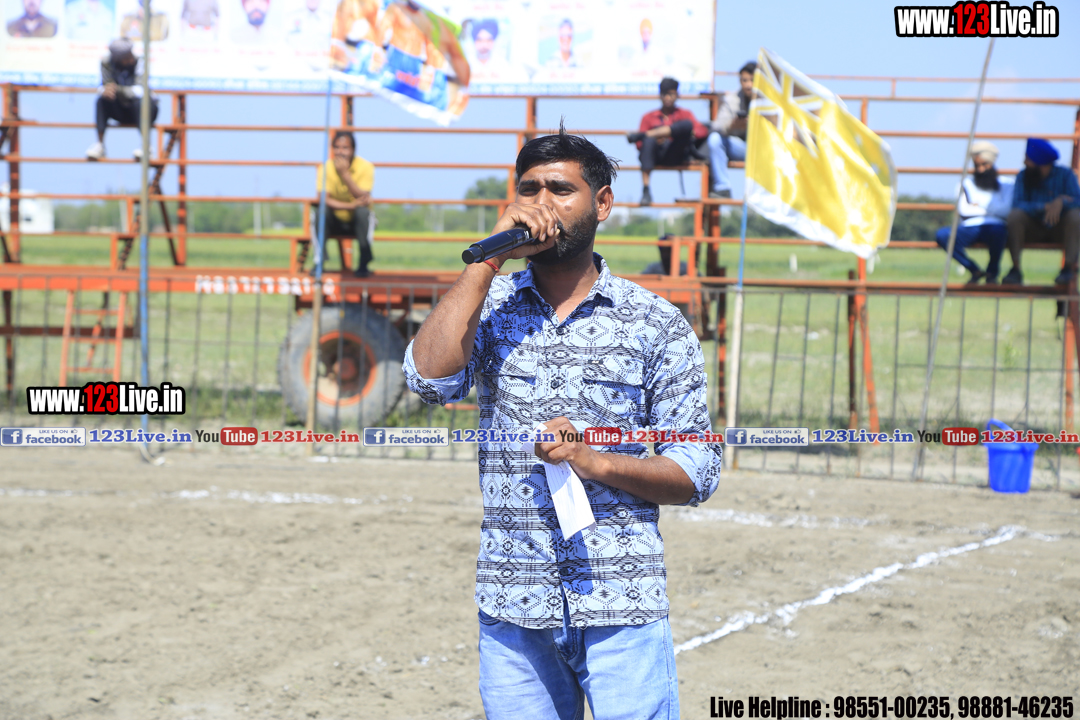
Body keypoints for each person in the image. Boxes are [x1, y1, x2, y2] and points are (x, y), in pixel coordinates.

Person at [404, 125, 722, 718]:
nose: (542, 204)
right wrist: (487, 262)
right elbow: (428, 380)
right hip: (513, 601)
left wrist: (595, 462)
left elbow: (697, 470)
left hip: (621, 600)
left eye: (560, 189)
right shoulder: (489, 308)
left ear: (602, 203)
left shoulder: (653, 322)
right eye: (529, 189)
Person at [1003, 138, 1080, 286]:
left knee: (1075, 216)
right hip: (1032, 228)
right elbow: (1017, 204)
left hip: (1059, 228)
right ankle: (1015, 269)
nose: (1024, 162)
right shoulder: (1023, 176)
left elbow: (1078, 200)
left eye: (1028, 159)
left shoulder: (1065, 175)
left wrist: (1062, 201)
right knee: (1015, 216)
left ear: (1041, 162)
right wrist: (1045, 207)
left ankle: (1068, 268)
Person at [934, 141, 1013, 285]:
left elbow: (1007, 211)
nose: (980, 169)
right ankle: (974, 269)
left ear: (992, 163)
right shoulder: (965, 184)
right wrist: (995, 209)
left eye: (984, 164)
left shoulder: (1007, 184)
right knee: (943, 235)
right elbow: (964, 210)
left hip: (996, 226)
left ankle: (992, 273)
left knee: (1000, 232)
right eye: (977, 165)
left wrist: (979, 204)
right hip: (970, 226)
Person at [625, 76, 710, 206]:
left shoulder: (685, 114)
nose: (668, 98)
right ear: (660, 95)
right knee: (648, 141)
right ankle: (646, 190)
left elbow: (702, 131)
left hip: (676, 153)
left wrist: (673, 134)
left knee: (686, 125)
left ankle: (651, 133)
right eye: (665, 94)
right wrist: (656, 140)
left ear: (677, 95)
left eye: (671, 94)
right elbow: (639, 145)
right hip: (655, 156)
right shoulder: (648, 117)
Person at [85, 39, 159, 162]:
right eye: (126, 57)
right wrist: (106, 91)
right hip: (121, 110)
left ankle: (146, 146)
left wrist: (118, 90)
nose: (130, 59)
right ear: (117, 59)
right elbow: (105, 86)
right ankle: (100, 145)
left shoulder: (140, 62)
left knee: (140, 103)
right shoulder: (106, 63)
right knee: (101, 101)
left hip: (144, 110)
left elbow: (140, 91)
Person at [316, 130, 375, 277]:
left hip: (357, 222)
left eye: (345, 148)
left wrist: (345, 175)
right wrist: (351, 205)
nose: (340, 152)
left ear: (353, 149)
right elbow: (323, 199)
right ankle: (319, 261)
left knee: (363, 213)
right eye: (336, 147)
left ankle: (364, 262)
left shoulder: (365, 167)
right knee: (320, 212)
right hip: (334, 219)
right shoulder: (325, 168)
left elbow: (363, 197)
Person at [707, 61, 755, 199]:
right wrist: (732, 126)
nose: (748, 85)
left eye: (752, 80)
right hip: (743, 148)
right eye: (744, 80)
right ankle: (723, 188)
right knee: (715, 140)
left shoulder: (770, 100)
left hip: (765, 151)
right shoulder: (732, 99)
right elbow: (717, 126)